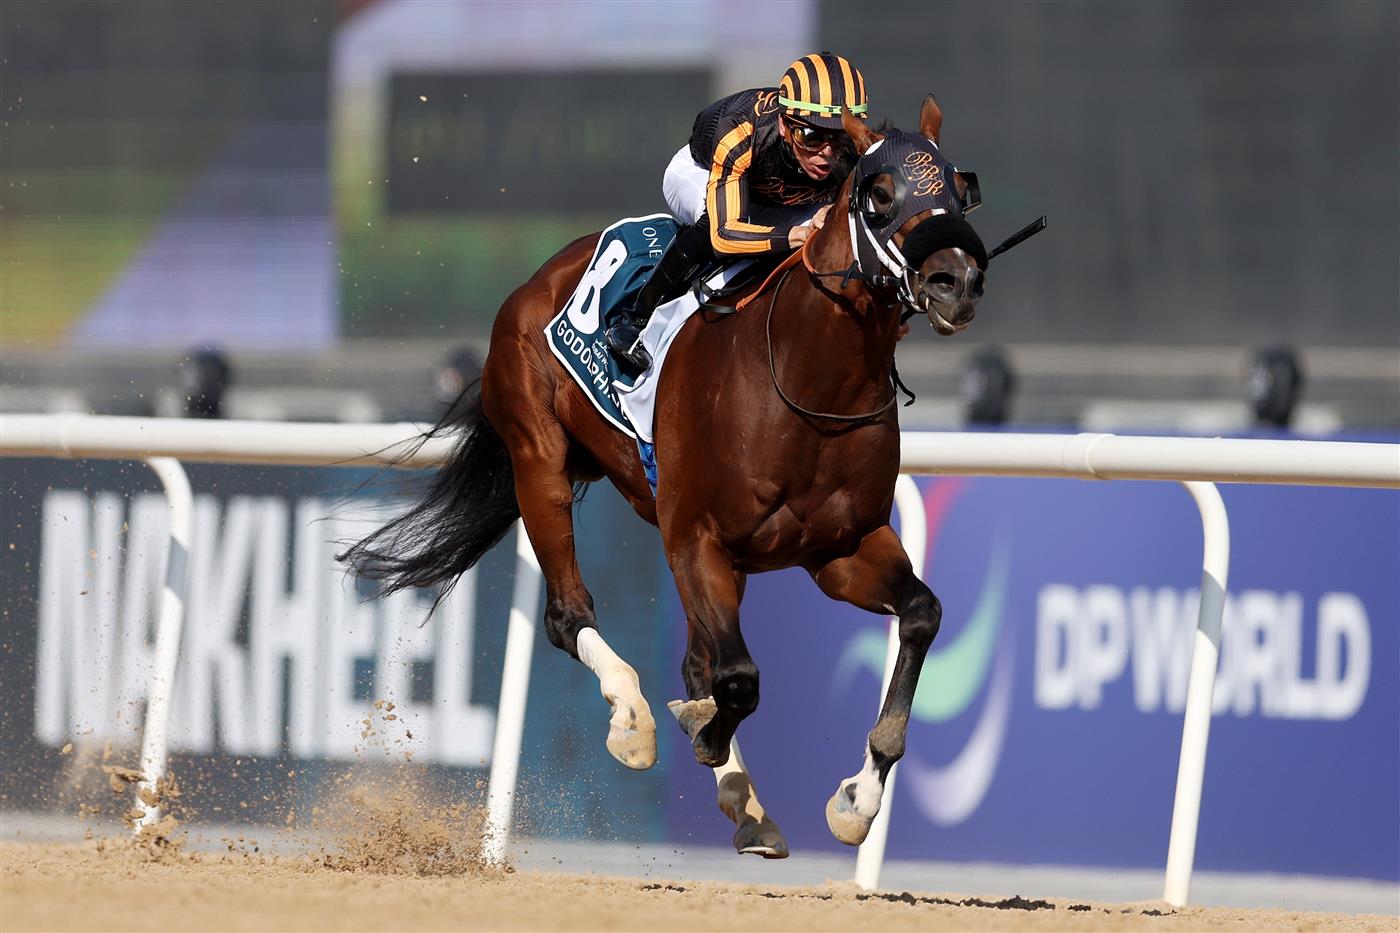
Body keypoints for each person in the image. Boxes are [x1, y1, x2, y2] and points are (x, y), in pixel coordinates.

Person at [606, 52, 869, 373]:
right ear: (784, 125)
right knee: (709, 226)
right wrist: (797, 234)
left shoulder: (854, 150)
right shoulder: (741, 130)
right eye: (810, 136)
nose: (826, 152)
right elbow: (723, 234)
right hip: (703, 174)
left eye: (839, 136)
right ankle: (635, 320)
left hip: (781, 201)